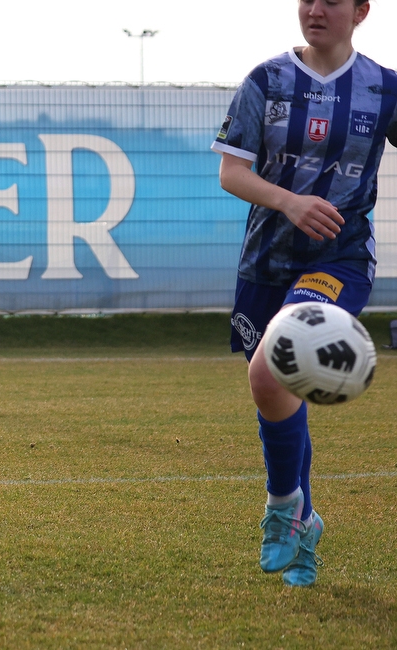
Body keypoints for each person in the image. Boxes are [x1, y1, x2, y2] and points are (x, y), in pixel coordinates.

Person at [212, 0, 397, 587]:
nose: (315, 9)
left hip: (338, 260)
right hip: (264, 264)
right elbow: (231, 172)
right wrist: (289, 201)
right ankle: (304, 525)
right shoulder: (265, 80)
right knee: (277, 389)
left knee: (276, 365)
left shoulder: (385, 88)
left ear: (362, 10)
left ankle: (279, 507)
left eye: (332, 0)